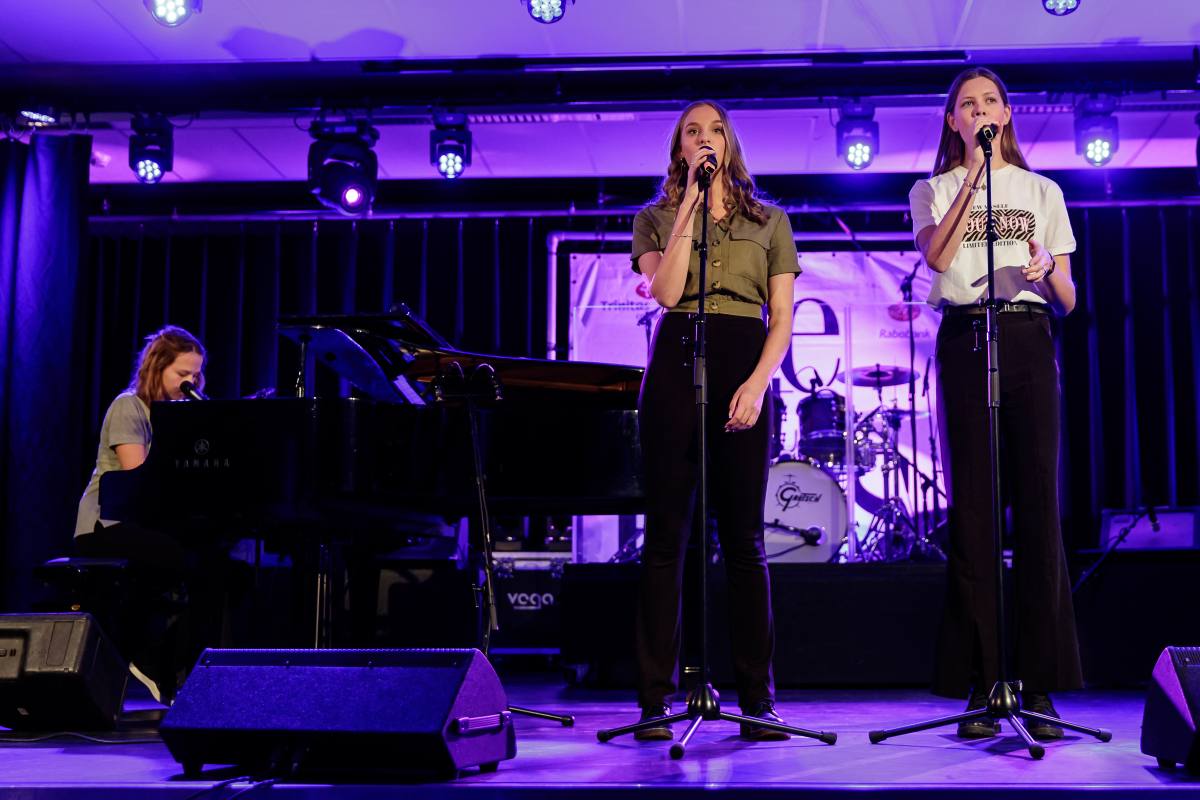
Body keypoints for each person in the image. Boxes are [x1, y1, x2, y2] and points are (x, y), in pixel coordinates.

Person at [908, 67, 1083, 739]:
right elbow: (937, 255)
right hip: (965, 337)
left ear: (1006, 113)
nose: (977, 110)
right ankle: (983, 682)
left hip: (1028, 335)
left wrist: (1046, 270)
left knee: (1038, 509)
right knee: (975, 514)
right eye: (964, 105)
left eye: (988, 101)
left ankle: (1038, 685)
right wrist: (975, 179)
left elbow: (1069, 298)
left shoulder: (1044, 191)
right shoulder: (933, 188)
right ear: (954, 123)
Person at [630, 100, 799, 741]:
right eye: (692, 132)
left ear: (730, 143)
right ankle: (654, 700)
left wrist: (758, 382)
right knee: (666, 541)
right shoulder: (654, 219)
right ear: (680, 149)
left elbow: (780, 317)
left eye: (715, 130)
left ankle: (757, 699)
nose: (705, 139)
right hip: (676, 361)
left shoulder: (771, 221)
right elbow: (667, 294)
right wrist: (692, 210)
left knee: (745, 544)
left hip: (743, 360)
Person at [73, 325, 208, 703]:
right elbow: (136, 479)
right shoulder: (128, 406)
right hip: (106, 523)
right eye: (182, 373)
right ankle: (145, 653)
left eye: (196, 374)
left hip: (147, 523)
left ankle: (185, 670)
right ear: (157, 367)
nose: (191, 381)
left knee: (216, 568)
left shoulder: (182, 416)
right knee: (177, 558)